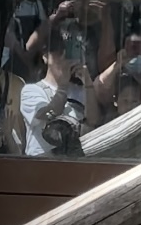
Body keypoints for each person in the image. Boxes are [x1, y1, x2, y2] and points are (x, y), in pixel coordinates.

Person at [20, 17, 101, 157]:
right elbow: (46, 114)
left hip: (74, 162)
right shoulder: (31, 91)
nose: (63, 60)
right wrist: (62, 86)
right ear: (45, 56)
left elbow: (93, 121)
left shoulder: (79, 91)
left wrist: (88, 84)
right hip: (41, 165)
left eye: (68, 54)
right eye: (58, 54)